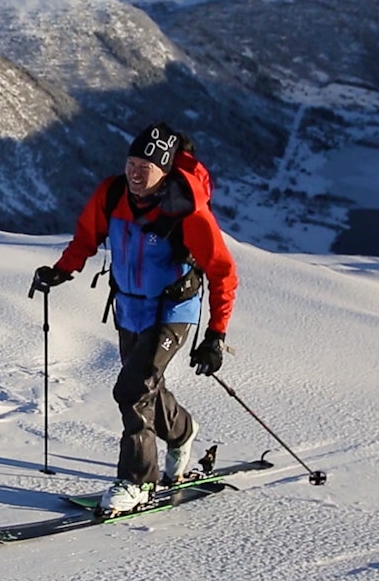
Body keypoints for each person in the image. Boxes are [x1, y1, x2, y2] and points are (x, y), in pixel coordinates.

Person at [31, 121, 237, 515]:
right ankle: (181, 430)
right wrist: (63, 269)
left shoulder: (186, 211)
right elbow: (86, 236)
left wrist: (215, 334)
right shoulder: (111, 194)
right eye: (131, 163)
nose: (135, 173)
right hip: (129, 308)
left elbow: (223, 272)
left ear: (166, 172)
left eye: (146, 167)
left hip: (172, 311)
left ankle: (137, 481)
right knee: (145, 388)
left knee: (130, 390)